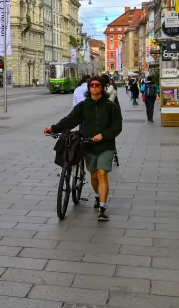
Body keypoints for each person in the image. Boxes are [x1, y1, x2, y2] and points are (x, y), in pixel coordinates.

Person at [45, 76, 122, 222]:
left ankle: (102, 208)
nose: (94, 87)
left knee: (101, 173)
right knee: (93, 175)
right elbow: (71, 119)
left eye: (97, 85)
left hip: (106, 146)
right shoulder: (83, 106)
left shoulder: (111, 106)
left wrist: (103, 135)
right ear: (88, 88)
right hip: (89, 145)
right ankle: (98, 196)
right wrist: (53, 129)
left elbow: (117, 126)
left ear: (102, 87)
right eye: (91, 85)